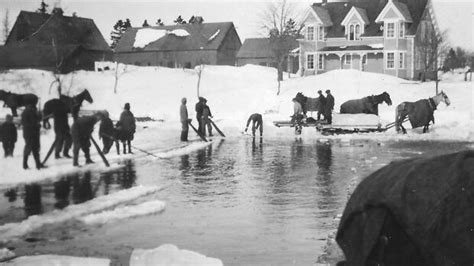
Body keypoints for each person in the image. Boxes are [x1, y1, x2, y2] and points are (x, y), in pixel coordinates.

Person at [21, 104, 44, 169]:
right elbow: (30, 123)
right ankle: (25, 165)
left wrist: (39, 116)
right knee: (30, 148)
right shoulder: (29, 113)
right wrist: (36, 125)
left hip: (31, 134)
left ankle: (37, 164)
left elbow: (36, 120)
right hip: (30, 134)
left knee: (35, 149)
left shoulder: (26, 112)